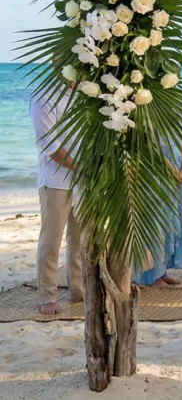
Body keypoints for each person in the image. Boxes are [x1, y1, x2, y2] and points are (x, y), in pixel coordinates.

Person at [29, 81, 83, 314]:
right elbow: (51, 146)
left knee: (80, 241)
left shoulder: (85, 93)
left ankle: (78, 290)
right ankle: (47, 296)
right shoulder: (44, 94)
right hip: (55, 180)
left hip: (84, 181)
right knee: (51, 241)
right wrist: (82, 168)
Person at [132, 142, 182, 287]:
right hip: (156, 171)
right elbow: (149, 146)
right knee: (156, 223)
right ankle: (154, 275)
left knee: (170, 221)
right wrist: (174, 172)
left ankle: (162, 272)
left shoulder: (179, 119)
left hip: (177, 172)